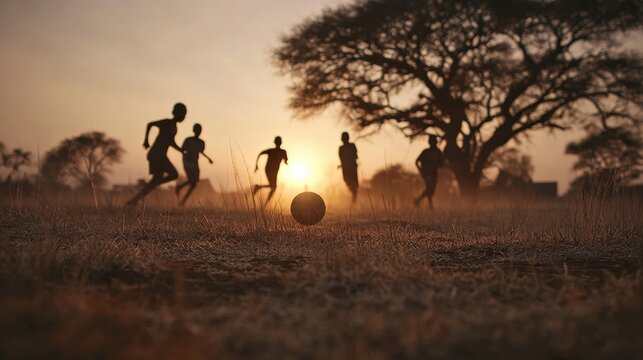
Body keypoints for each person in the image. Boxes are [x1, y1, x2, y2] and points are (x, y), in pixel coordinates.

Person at [126, 103, 186, 206]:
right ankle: (140, 195)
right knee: (173, 174)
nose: (184, 117)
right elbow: (150, 124)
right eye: (183, 114)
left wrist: (180, 150)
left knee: (160, 179)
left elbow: (170, 142)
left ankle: (134, 200)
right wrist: (146, 141)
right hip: (156, 155)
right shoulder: (167, 122)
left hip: (160, 155)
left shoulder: (174, 127)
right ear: (176, 113)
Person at [175, 123, 213, 207]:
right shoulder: (188, 140)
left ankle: (181, 193)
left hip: (195, 162)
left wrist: (208, 158)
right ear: (194, 130)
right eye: (197, 130)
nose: (198, 132)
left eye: (199, 130)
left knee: (194, 183)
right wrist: (186, 157)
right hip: (187, 161)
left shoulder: (201, 142)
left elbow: (201, 152)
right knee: (193, 180)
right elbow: (182, 150)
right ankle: (181, 194)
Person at [253, 136, 288, 202]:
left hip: (275, 170)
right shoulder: (276, 151)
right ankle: (265, 203)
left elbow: (285, 160)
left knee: (273, 186)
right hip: (269, 169)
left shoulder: (282, 152)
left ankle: (259, 188)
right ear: (280, 142)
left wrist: (256, 165)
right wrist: (256, 165)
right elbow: (285, 161)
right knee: (273, 186)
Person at [414, 134, 444, 209]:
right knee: (429, 187)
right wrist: (421, 170)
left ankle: (418, 200)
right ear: (429, 142)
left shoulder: (438, 152)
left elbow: (441, 164)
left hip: (434, 173)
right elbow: (417, 161)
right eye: (432, 142)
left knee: (431, 191)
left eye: (434, 142)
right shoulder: (425, 152)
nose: (433, 143)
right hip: (426, 173)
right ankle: (430, 206)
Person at [338, 131, 359, 202]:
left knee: (353, 184)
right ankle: (354, 196)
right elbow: (341, 159)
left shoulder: (352, 146)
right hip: (346, 168)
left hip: (352, 168)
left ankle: (354, 198)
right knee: (348, 183)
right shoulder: (341, 148)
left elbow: (355, 156)